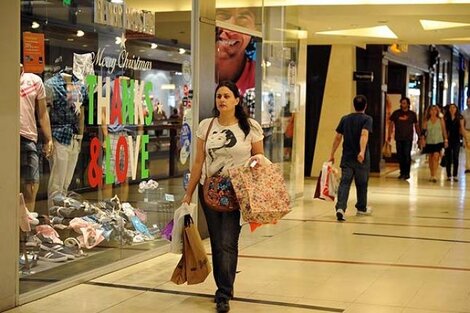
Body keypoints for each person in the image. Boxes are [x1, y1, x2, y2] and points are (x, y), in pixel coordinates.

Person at [182, 81, 264, 313]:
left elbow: (259, 159)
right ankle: (224, 286)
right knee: (218, 242)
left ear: (237, 100)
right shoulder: (206, 126)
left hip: (236, 191)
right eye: (219, 96)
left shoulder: (250, 127)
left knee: (228, 241)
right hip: (208, 191)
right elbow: (198, 161)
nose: (222, 100)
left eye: (227, 96)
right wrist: (188, 193)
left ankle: (224, 293)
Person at [329, 95, 373, 222]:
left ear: (354, 105)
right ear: (365, 106)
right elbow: (364, 135)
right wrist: (362, 152)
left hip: (347, 157)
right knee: (362, 183)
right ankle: (361, 207)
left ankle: (341, 208)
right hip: (361, 159)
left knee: (345, 183)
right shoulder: (367, 119)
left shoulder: (345, 119)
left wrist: (332, 154)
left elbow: (338, 137)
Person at [45, 71, 85, 206]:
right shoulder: (51, 84)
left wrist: (80, 136)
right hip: (59, 135)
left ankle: (61, 213)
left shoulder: (79, 85)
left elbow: (81, 113)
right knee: (57, 181)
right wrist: (48, 138)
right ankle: (53, 215)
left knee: (66, 182)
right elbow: (45, 112)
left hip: (74, 137)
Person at [20, 64, 53, 212]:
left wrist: (48, 138)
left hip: (28, 137)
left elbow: (42, 113)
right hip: (7, 139)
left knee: (32, 184)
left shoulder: (34, 80)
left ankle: (27, 227)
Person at [215, 8, 257, 97]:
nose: (230, 30)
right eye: (222, 16)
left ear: (255, 29)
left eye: (243, 19)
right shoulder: (195, 70)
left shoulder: (260, 78)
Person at [387, 97, 420, 180]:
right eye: (402, 103)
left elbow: (416, 125)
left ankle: (406, 173)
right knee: (400, 155)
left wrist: (419, 136)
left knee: (406, 155)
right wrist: (389, 135)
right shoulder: (396, 113)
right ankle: (402, 172)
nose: (403, 104)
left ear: (408, 104)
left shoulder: (412, 114)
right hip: (398, 137)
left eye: (405, 103)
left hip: (408, 138)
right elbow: (391, 124)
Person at [420, 105, 448, 182]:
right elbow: (424, 131)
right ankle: (431, 174)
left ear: (437, 111)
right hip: (429, 141)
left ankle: (434, 175)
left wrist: (446, 140)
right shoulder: (426, 120)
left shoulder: (440, 120)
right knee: (431, 157)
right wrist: (422, 139)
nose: (433, 111)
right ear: (429, 111)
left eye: (435, 110)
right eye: (431, 110)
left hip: (438, 141)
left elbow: (444, 130)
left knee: (436, 156)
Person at [444, 103, 467, 181]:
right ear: (449, 109)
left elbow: (462, 129)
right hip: (448, 139)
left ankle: (455, 175)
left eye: (454, 107)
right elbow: (444, 129)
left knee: (456, 157)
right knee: (448, 157)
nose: (452, 109)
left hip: (456, 139)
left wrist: (466, 139)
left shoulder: (460, 117)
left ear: (456, 109)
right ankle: (448, 175)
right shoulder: (446, 117)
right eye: (451, 107)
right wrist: (445, 139)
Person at [462, 97, 470, 173]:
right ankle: (468, 167)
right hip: (467, 131)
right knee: (467, 150)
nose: (469, 103)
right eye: (468, 101)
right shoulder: (464, 112)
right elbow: (462, 124)